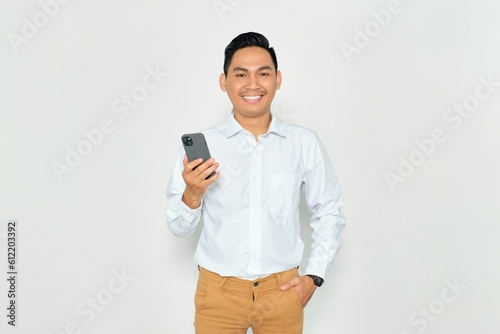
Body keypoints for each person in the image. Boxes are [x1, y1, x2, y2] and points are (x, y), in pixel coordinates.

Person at [165, 32, 345, 334]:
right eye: (240, 74)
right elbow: (177, 227)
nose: (252, 84)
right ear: (224, 82)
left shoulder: (303, 143)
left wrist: (314, 277)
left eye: (263, 73)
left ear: (278, 79)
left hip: (283, 292)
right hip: (217, 294)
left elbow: (329, 211)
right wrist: (192, 193)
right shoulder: (204, 144)